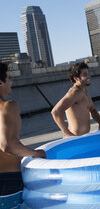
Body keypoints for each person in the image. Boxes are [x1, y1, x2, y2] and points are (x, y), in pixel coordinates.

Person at [0, 63, 46, 199]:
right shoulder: (8, 106)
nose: (11, 81)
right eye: (8, 78)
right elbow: (7, 145)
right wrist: (35, 153)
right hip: (7, 179)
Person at [51, 62, 100, 137]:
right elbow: (56, 112)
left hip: (83, 137)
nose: (89, 76)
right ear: (76, 78)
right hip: (74, 139)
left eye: (88, 74)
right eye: (85, 74)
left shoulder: (85, 91)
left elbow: (93, 110)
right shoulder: (74, 93)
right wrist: (68, 134)